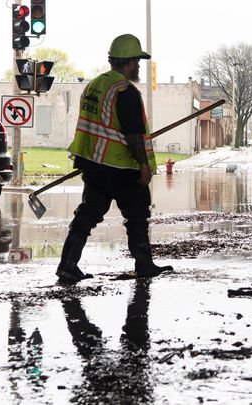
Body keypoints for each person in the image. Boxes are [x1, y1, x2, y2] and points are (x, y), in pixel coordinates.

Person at [56, 34, 173, 284]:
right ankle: (144, 264)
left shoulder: (95, 85)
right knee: (137, 215)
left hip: (94, 162)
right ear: (129, 62)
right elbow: (133, 134)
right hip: (121, 166)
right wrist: (143, 164)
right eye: (137, 62)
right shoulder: (125, 91)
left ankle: (67, 265)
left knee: (87, 215)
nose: (139, 67)